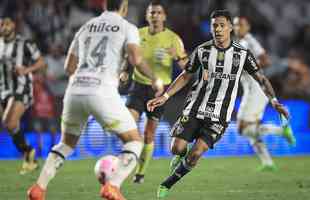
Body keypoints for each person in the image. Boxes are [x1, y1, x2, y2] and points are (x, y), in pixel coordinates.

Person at [147, 10, 290, 198]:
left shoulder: (242, 54)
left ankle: (167, 183)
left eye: (222, 25)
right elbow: (186, 75)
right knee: (176, 148)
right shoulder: (203, 51)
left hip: (219, 116)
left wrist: (274, 101)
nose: (218, 29)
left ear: (230, 28)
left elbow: (261, 79)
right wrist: (165, 97)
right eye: (214, 25)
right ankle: (181, 155)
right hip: (195, 108)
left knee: (196, 154)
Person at [27, 0, 162, 200]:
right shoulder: (127, 27)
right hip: (102, 90)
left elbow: (69, 67)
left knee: (65, 144)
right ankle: (113, 186)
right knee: (134, 141)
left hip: (75, 90)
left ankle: (39, 188)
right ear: (124, 7)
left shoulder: (86, 27)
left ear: (104, 5)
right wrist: (154, 79)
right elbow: (136, 59)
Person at [125, 0, 188, 184]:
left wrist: (175, 56)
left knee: (149, 134)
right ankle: (129, 157)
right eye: (151, 13)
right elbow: (129, 56)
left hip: (160, 91)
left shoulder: (173, 39)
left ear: (164, 16)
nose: (155, 16)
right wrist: (123, 71)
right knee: (129, 122)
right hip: (138, 85)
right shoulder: (138, 34)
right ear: (147, 16)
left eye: (158, 13)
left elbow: (187, 66)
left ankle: (140, 173)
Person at [233, 16, 296, 171]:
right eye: (235, 25)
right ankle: (267, 162)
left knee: (242, 128)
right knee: (250, 129)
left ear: (248, 27)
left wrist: (249, 65)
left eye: (240, 25)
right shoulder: (240, 43)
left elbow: (265, 60)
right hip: (250, 89)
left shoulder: (250, 41)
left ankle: (282, 131)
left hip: (256, 89)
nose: (237, 28)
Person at [0, 17, 46, 174]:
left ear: (13, 25)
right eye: (1, 24)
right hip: (3, 90)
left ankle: (28, 153)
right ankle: (29, 154)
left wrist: (25, 70)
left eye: (6, 23)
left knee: (10, 122)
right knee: (9, 125)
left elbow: (41, 62)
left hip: (21, 88)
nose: (3, 27)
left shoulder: (25, 43)